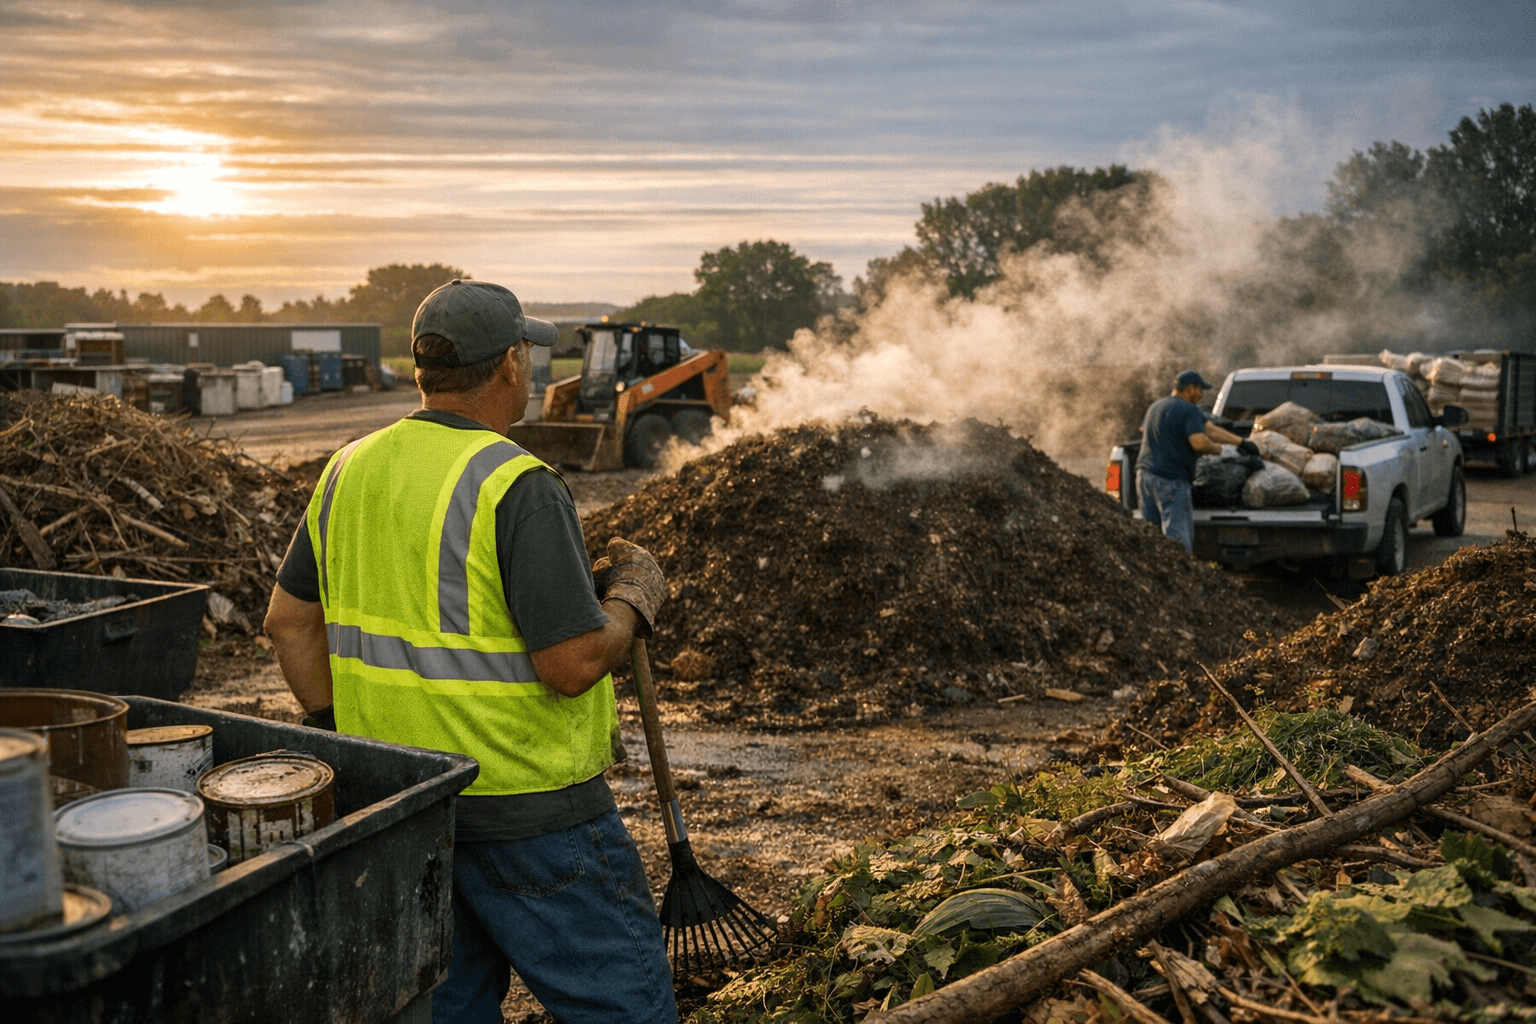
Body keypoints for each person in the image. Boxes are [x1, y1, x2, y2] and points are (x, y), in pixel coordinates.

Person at [264, 279, 677, 1024]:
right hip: (533, 813)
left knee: (445, 1009)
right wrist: (629, 605)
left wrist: (341, 734)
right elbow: (573, 664)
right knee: (621, 1007)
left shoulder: (347, 468)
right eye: (529, 352)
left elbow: (288, 624)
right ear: (511, 364)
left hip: (404, 803)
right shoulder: (516, 483)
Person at [1135, 369, 1253, 553]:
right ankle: (1179, 579)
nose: (1201, 395)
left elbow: (1209, 429)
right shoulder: (1189, 409)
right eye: (1200, 390)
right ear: (1190, 389)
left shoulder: (1156, 407)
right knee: (1178, 545)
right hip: (1171, 482)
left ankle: (1155, 579)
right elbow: (1199, 443)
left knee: (1152, 540)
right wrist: (1221, 450)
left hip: (1144, 477)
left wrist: (1241, 442)